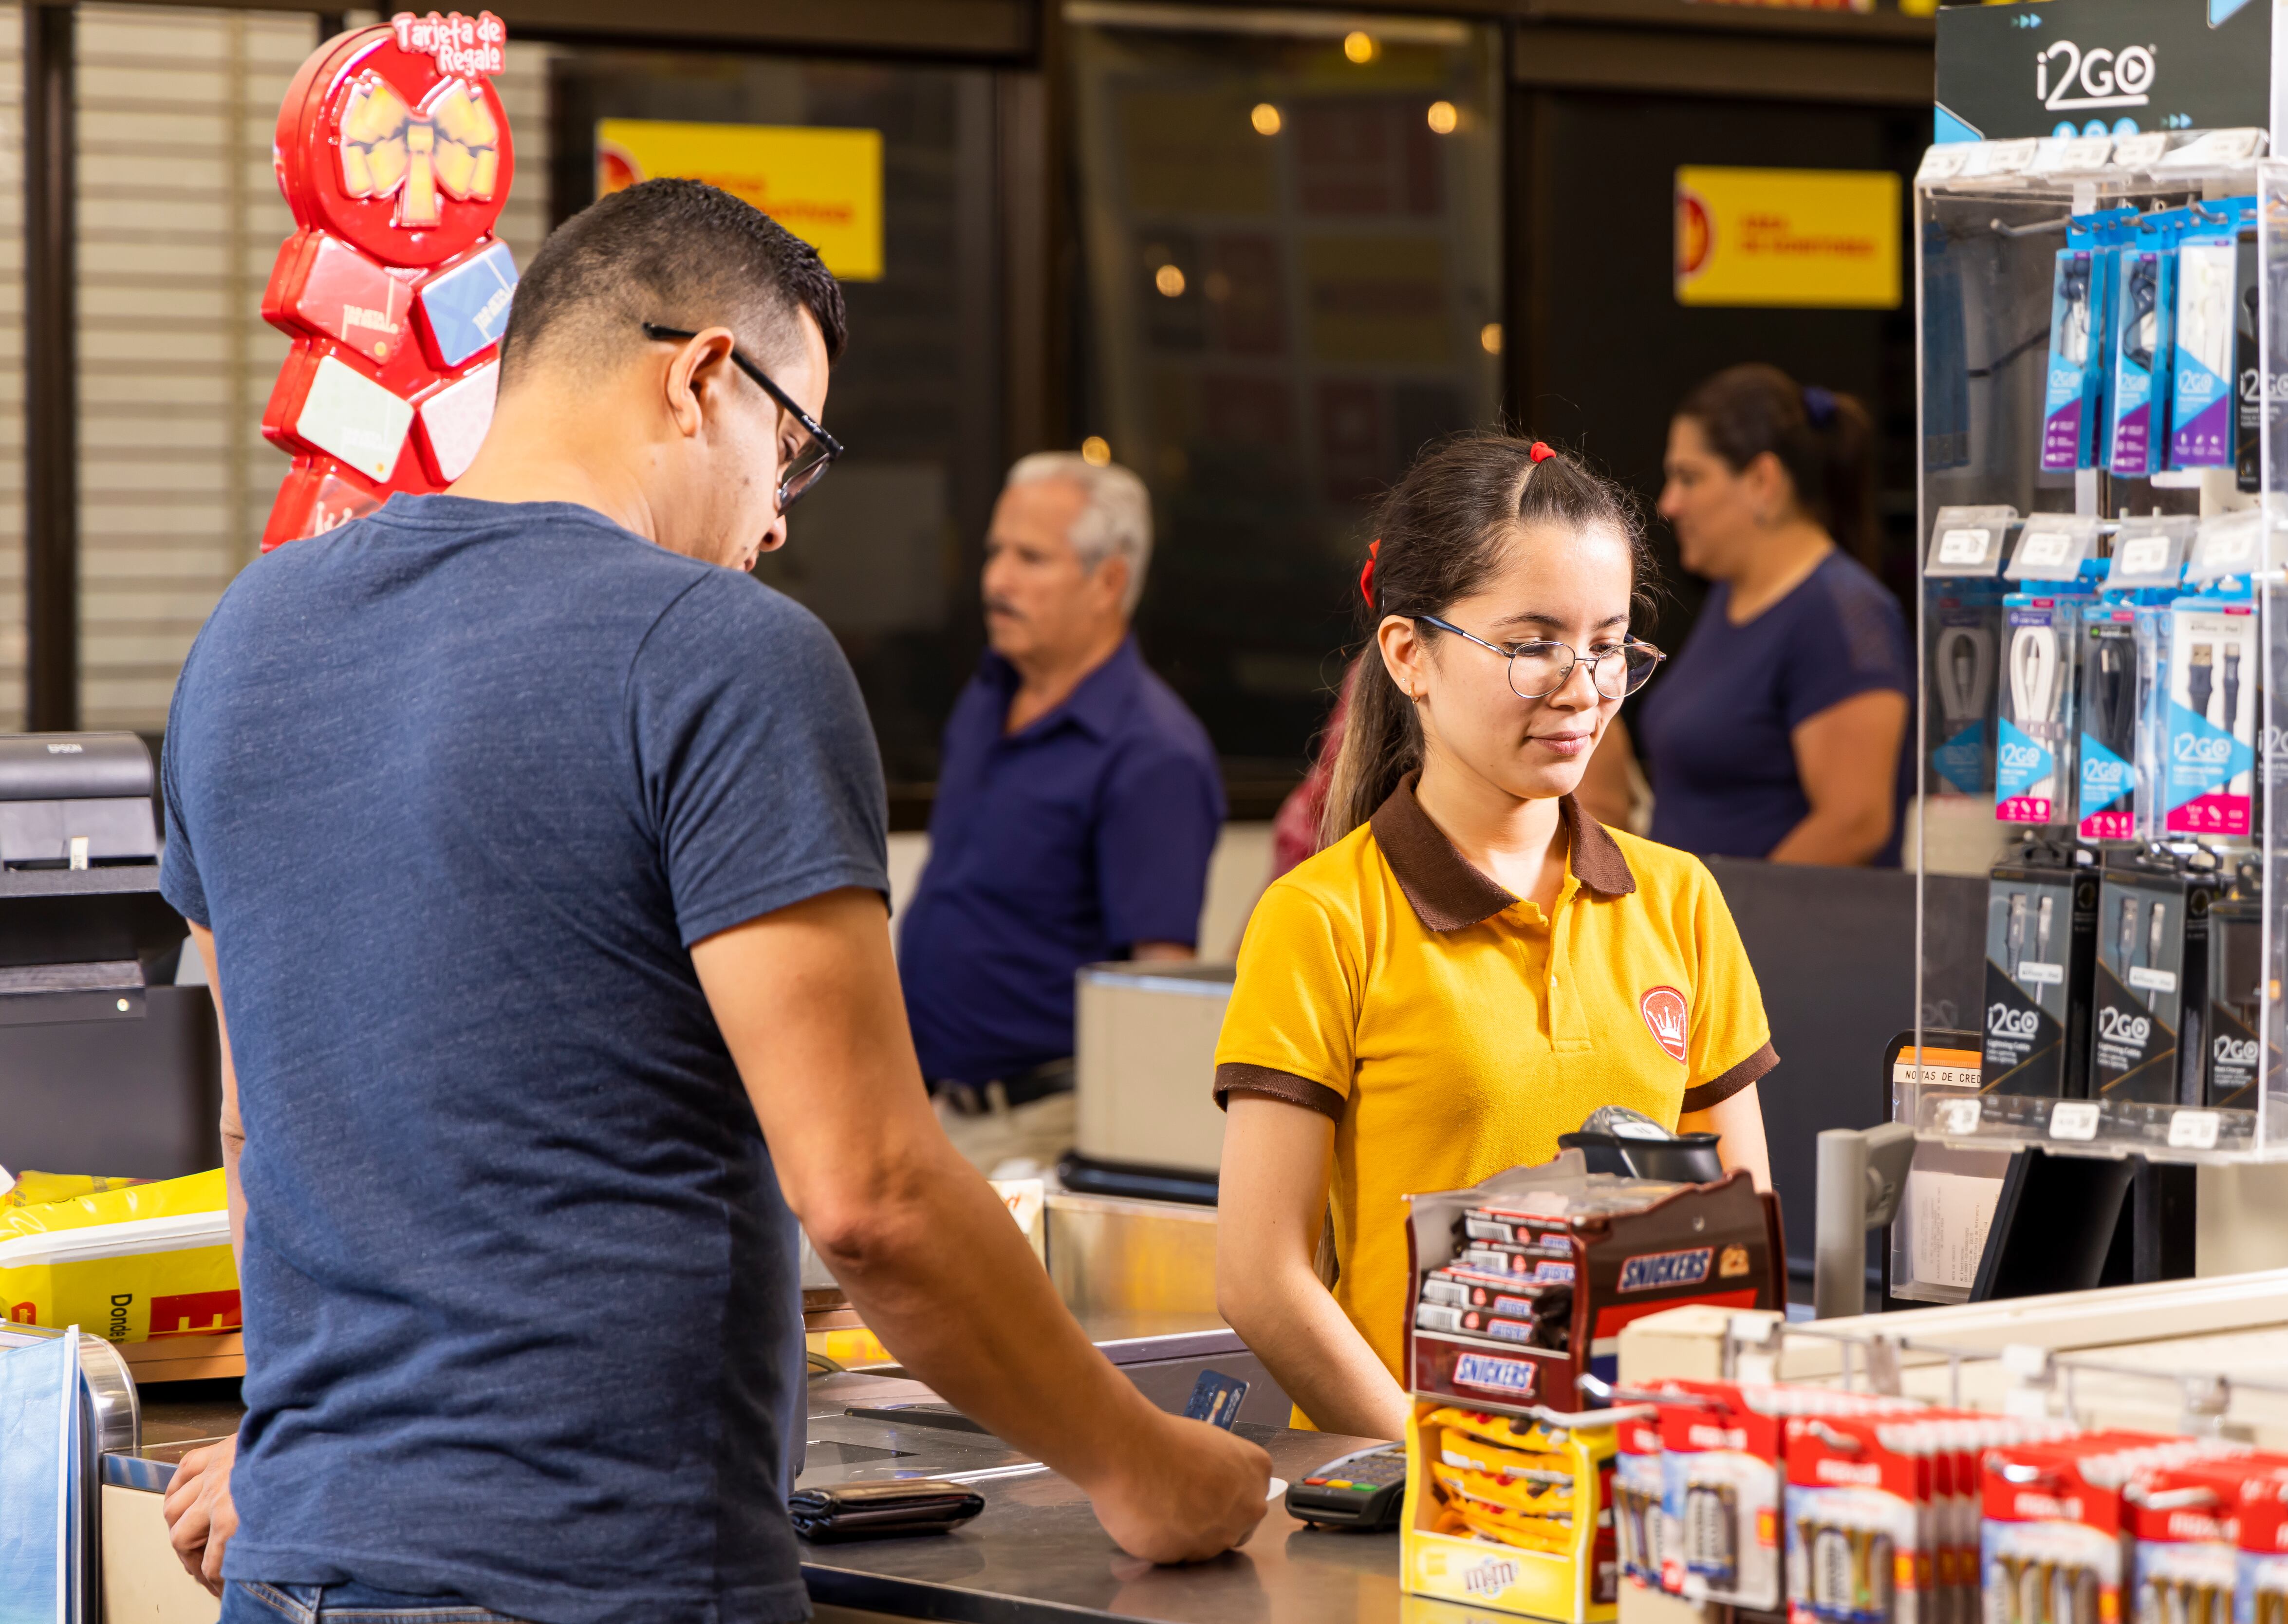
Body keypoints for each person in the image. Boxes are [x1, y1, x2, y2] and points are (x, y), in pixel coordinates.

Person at [156, 179, 1268, 1624]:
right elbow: (870, 1198)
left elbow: (264, 1130)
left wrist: (301, 1439)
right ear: (700, 379)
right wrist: (1147, 1468)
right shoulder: (720, 650)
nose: (780, 523)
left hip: (300, 1563)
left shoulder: (248, 635)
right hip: (600, 1575)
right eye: (791, 452)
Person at [1209, 435, 1779, 1441]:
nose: (1583, 688)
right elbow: (1261, 1279)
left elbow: (1738, 1245)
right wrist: (1442, 1472)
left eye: (1609, 646)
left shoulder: (1680, 899)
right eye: (1533, 645)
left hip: (1634, 1475)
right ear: (1408, 655)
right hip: (1410, 1493)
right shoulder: (1323, 918)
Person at [896, 454, 1224, 1177]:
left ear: (1109, 581)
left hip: (1043, 1133)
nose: (996, 580)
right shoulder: (989, 692)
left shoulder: (1153, 752)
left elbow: (1155, 991)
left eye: (1031, 558)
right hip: (934, 1107)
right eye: (995, 552)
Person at [1623, 363, 1914, 866]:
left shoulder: (1843, 612)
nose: (1669, 504)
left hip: (1772, 918)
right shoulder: (1731, 595)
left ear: (1762, 480)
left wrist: (1731, 912)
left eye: (1689, 478)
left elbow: (1855, 822)